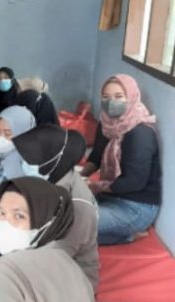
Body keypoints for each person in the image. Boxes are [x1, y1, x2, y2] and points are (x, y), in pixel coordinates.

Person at [13, 125, 99, 290]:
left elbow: (60, 254)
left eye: (30, 160)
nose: (24, 164)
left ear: (52, 159)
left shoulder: (78, 204)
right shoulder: (53, 179)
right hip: (43, 251)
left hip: (70, 279)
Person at [81, 74, 161, 245]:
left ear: (131, 97)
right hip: (110, 195)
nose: (111, 102)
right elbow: (96, 156)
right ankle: (125, 235)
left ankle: (126, 235)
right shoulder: (107, 123)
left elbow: (134, 182)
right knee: (63, 210)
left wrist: (94, 186)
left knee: (76, 224)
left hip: (136, 207)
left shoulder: (140, 133)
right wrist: (78, 175)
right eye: (106, 97)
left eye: (118, 97)